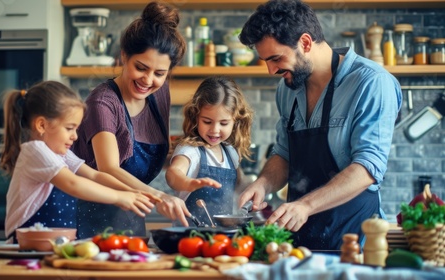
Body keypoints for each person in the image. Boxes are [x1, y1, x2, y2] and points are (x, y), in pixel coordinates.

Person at [237, 0, 402, 250]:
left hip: (353, 242)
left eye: (276, 58)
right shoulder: (287, 88)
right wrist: (262, 184)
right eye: (265, 61)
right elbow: (283, 154)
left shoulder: (372, 83)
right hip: (296, 243)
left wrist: (305, 206)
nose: (271, 70)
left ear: (305, 42)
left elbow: (368, 166)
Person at [71, 1, 189, 238]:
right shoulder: (102, 103)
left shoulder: (160, 93)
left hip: (133, 213)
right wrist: (158, 195)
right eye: (141, 67)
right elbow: (109, 168)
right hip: (92, 220)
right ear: (124, 56)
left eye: (159, 73)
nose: (148, 80)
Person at [0, 81, 158, 243]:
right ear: (42, 125)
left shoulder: (61, 155)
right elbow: (73, 184)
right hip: (25, 244)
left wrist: (130, 191)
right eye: (69, 128)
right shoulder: (35, 151)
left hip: (55, 244)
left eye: (76, 129)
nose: (75, 136)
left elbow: (95, 176)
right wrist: (119, 197)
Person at [165, 76, 254, 226]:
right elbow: (172, 174)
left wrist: (255, 193)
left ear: (235, 121)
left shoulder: (230, 152)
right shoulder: (190, 150)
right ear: (196, 117)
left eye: (224, 123)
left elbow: (241, 184)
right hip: (190, 237)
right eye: (207, 121)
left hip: (221, 237)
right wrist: (188, 183)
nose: (215, 130)